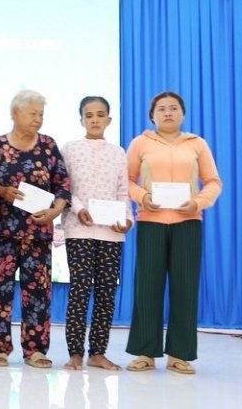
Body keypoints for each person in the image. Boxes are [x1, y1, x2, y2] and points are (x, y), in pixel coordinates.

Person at [124, 91, 221, 375]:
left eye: (174, 108)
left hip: (188, 222)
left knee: (185, 288)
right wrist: (142, 197)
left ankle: (180, 354)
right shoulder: (140, 143)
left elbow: (214, 182)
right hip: (150, 221)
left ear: (183, 113)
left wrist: (198, 202)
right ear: (152, 115)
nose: (168, 113)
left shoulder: (197, 144)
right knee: (147, 287)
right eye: (162, 109)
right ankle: (145, 352)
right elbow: (128, 181)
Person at [0, 89, 70, 368]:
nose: (38, 119)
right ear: (15, 113)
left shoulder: (48, 145)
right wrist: (2, 191)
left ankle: (36, 350)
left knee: (38, 292)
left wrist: (56, 211)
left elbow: (63, 185)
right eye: (33, 113)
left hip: (38, 232)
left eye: (41, 114)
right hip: (2, 233)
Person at [60, 96, 132, 371]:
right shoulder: (70, 149)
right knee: (79, 290)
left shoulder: (118, 152)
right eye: (89, 115)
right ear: (81, 119)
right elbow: (66, 188)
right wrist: (78, 209)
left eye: (100, 115)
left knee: (105, 293)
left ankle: (98, 352)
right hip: (79, 229)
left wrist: (126, 219)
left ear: (109, 120)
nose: (94, 120)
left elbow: (122, 192)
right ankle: (75, 352)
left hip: (111, 234)